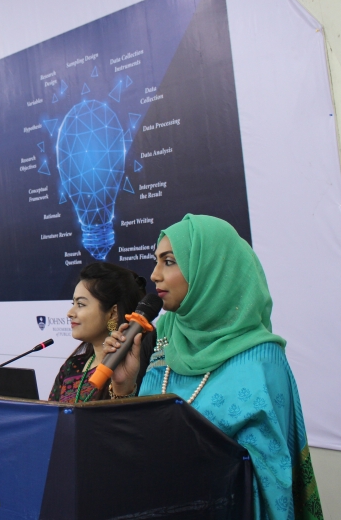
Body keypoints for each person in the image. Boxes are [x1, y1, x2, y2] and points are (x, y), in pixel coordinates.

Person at [105, 214, 323, 519]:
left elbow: (269, 480)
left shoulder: (262, 358)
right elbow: (143, 436)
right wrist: (124, 389)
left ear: (212, 268)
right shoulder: (166, 335)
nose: (154, 275)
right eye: (156, 261)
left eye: (169, 261)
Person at [49, 262, 154, 403]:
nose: (70, 313)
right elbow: (51, 419)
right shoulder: (71, 367)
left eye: (81, 304)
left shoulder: (137, 368)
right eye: (72, 304)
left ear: (113, 313)